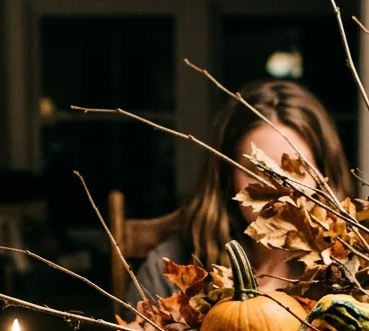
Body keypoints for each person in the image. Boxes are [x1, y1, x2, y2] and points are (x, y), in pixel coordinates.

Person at [127, 80, 352, 304]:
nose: (278, 191)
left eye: (296, 170)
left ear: (324, 178)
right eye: (258, 171)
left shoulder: (354, 273)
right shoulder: (172, 270)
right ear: (228, 178)